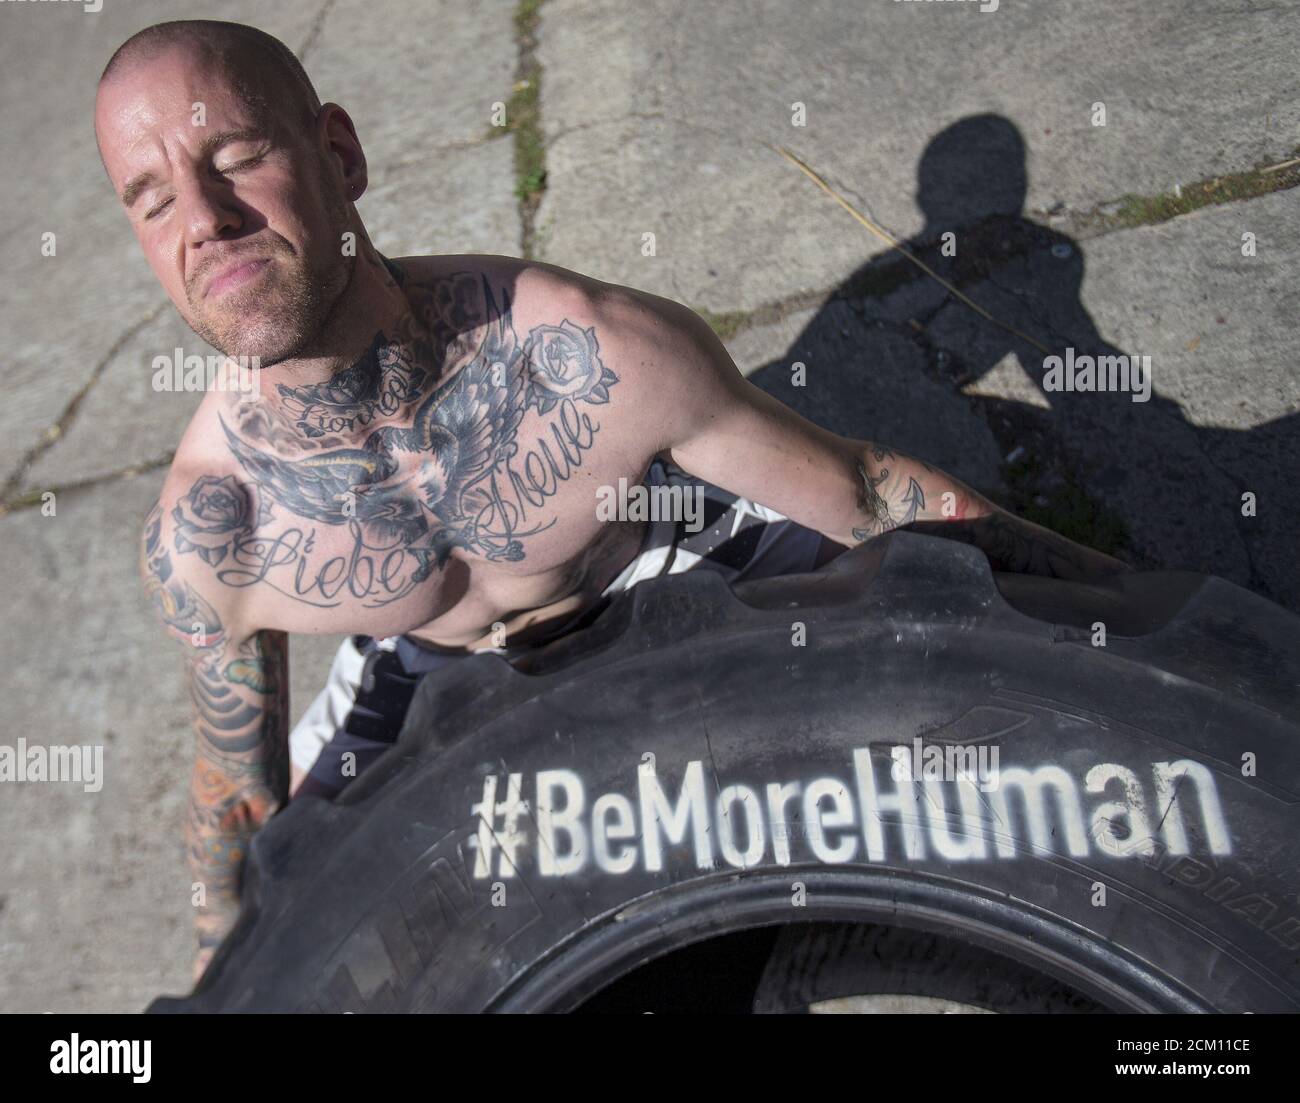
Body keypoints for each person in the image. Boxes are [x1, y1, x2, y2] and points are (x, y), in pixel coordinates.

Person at [96, 19, 1126, 981]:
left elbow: (866, 495)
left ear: (339, 154)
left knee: (972, 711)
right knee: (339, 946)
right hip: (423, 664)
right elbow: (238, 804)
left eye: (233, 159)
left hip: (659, 560)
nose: (205, 221)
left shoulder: (590, 350)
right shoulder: (213, 534)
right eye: (151, 199)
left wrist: (1136, 619)